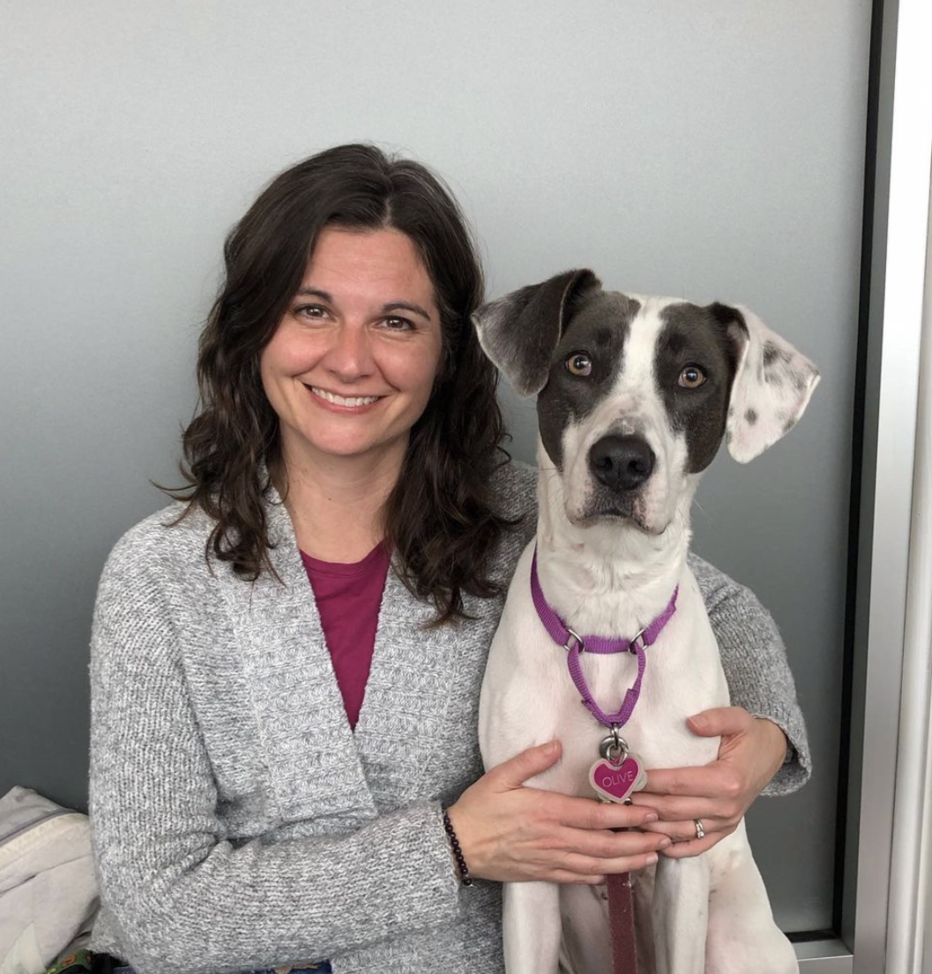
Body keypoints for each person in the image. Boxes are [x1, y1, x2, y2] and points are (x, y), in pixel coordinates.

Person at [88, 143, 810, 974]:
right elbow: (158, 915)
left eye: (397, 321)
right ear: (256, 330)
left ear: (449, 352)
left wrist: (762, 742)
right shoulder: (159, 580)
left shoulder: (523, 524)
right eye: (311, 310)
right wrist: (456, 848)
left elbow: (715, 608)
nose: (351, 358)